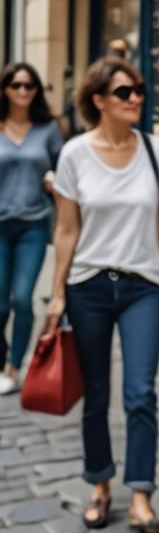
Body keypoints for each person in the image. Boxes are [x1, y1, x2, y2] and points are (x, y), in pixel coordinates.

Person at [46, 58, 159, 533]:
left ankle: (142, 497)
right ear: (99, 100)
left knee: (140, 393)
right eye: (125, 92)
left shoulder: (155, 150)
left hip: (141, 286)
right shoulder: (74, 155)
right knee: (96, 394)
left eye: (139, 90)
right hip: (87, 286)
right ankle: (100, 485)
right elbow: (67, 230)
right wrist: (56, 295)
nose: (136, 99)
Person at [0, 63, 64, 395]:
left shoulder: (48, 129)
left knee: (22, 299)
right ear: (5, 89)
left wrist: (55, 181)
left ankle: (13, 366)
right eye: (16, 85)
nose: (23, 91)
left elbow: (64, 172)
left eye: (29, 86)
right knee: (0, 304)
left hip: (33, 227)